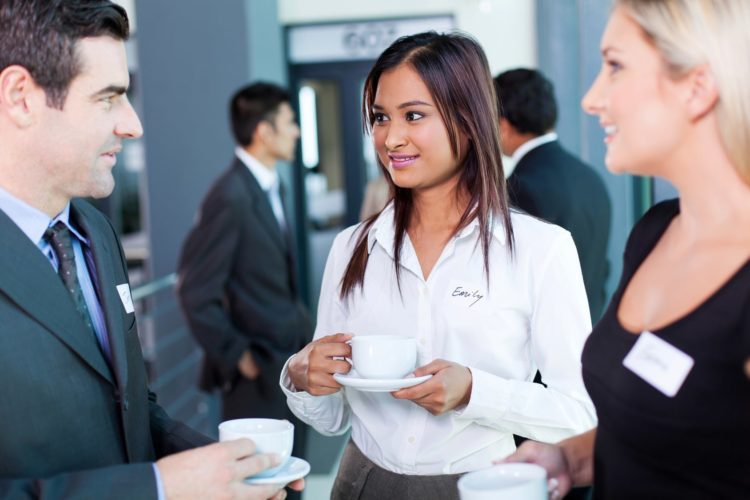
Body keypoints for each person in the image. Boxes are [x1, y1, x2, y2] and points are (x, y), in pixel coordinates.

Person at [0, 1, 302, 498]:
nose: (133, 124)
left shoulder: (94, 233)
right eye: (108, 98)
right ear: (21, 97)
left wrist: (219, 465)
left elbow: (131, 405)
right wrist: (159, 486)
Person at [281, 31, 597, 500]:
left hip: (483, 484)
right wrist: (302, 378)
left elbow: (579, 412)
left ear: (468, 121)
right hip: (362, 482)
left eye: (414, 116)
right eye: (381, 117)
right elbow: (334, 420)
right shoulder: (352, 248)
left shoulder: (540, 249)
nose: (391, 137)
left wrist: (474, 392)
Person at [504, 1, 750, 498]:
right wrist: (571, 458)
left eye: (615, 66)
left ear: (697, 87)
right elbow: (678, 439)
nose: (592, 98)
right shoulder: (655, 233)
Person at [177, 82, 313, 478]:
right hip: (257, 375)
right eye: (290, 122)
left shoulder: (271, 185)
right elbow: (194, 289)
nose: (297, 132)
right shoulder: (230, 195)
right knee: (260, 484)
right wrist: (240, 357)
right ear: (264, 131)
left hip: (285, 364)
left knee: (290, 479)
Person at [494, 68, 612, 321]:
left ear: (503, 126)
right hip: (591, 332)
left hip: (545, 344)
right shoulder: (590, 177)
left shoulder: (521, 186)